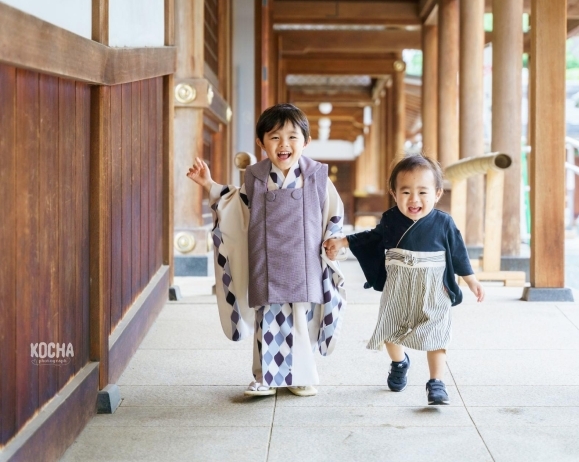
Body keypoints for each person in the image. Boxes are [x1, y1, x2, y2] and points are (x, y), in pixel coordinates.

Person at [187, 103, 346, 398]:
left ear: (306, 142)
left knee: (302, 318)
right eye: (274, 137)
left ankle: (301, 376)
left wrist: (334, 240)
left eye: (292, 137)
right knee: (268, 318)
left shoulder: (317, 177)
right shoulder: (256, 177)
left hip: (305, 260)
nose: (283, 144)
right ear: (261, 143)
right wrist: (209, 184)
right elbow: (236, 208)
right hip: (267, 261)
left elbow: (333, 214)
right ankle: (265, 377)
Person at [324, 154, 484, 405]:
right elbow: (372, 238)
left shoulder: (444, 222)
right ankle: (400, 362)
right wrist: (343, 240)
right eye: (406, 192)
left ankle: (436, 383)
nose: (414, 199)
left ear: (437, 193)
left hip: (434, 287)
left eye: (423, 192)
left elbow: (458, 252)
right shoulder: (390, 220)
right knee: (390, 330)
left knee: (436, 335)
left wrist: (471, 279)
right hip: (398, 285)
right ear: (394, 192)